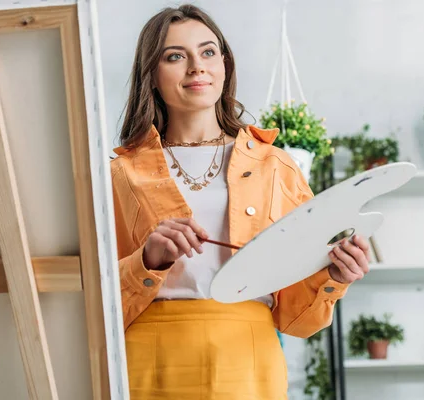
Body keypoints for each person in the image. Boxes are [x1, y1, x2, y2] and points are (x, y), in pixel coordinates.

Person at [111, 4, 371, 399]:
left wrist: (334, 278)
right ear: (151, 76)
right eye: (175, 56)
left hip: (249, 361)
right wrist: (146, 261)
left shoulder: (276, 167)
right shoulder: (119, 173)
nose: (197, 67)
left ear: (225, 65)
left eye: (208, 52)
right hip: (150, 361)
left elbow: (296, 318)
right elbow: (90, 306)